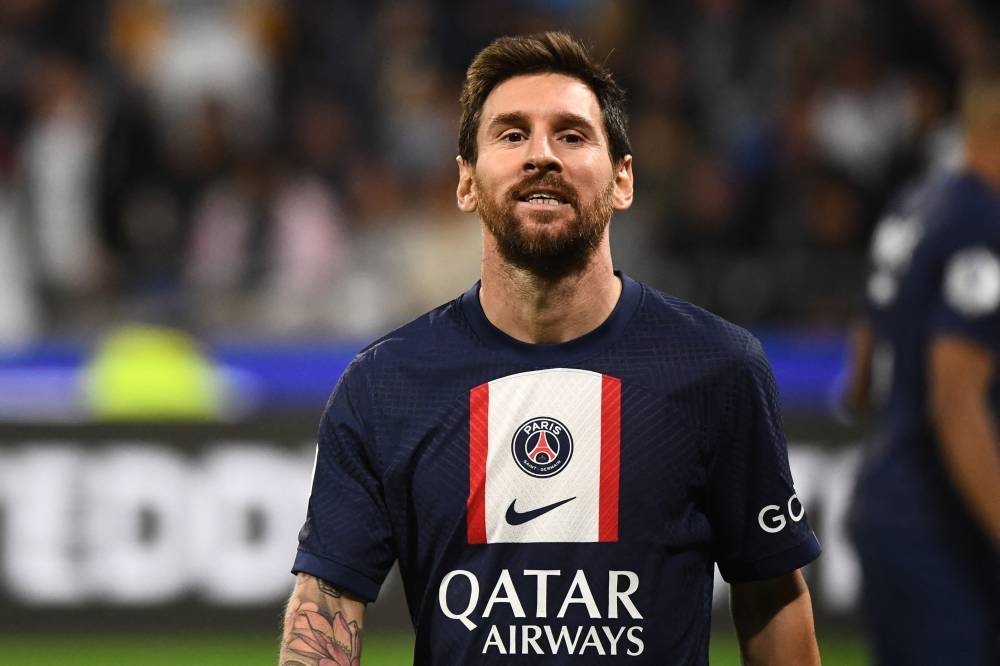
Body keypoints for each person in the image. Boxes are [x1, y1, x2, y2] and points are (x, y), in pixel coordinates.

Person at [280, 32, 821, 665]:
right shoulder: (384, 385)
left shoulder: (717, 370)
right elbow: (326, 608)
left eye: (571, 135)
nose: (541, 154)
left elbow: (774, 595)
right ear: (466, 183)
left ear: (622, 179)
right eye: (511, 136)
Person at [844, 56, 1000, 665]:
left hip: (885, 499)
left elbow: (860, 366)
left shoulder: (918, 202)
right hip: (938, 524)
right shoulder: (981, 221)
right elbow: (956, 401)